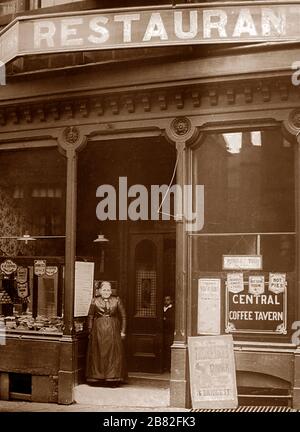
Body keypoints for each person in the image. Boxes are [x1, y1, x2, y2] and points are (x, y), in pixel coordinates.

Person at [86, 281, 127, 387]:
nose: (106, 292)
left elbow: (123, 316)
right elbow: (90, 316)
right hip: (98, 330)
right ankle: (97, 377)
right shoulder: (95, 301)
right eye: (104, 290)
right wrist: (90, 330)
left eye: (108, 290)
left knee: (113, 353)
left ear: (111, 291)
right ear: (100, 291)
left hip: (113, 330)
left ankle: (112, 378)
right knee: (99, 352)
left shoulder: (116, 300)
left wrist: (123, 331)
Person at [163, 295, 175, 372]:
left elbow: (172, 321)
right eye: (165, 300)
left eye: (168, 300)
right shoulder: (162, 308)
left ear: (171, 301)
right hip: (162, 333)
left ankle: (169, 367)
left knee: (168, 349)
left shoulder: (172, 309)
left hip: (169, 332)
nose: (166, 301)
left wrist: (165, 319)